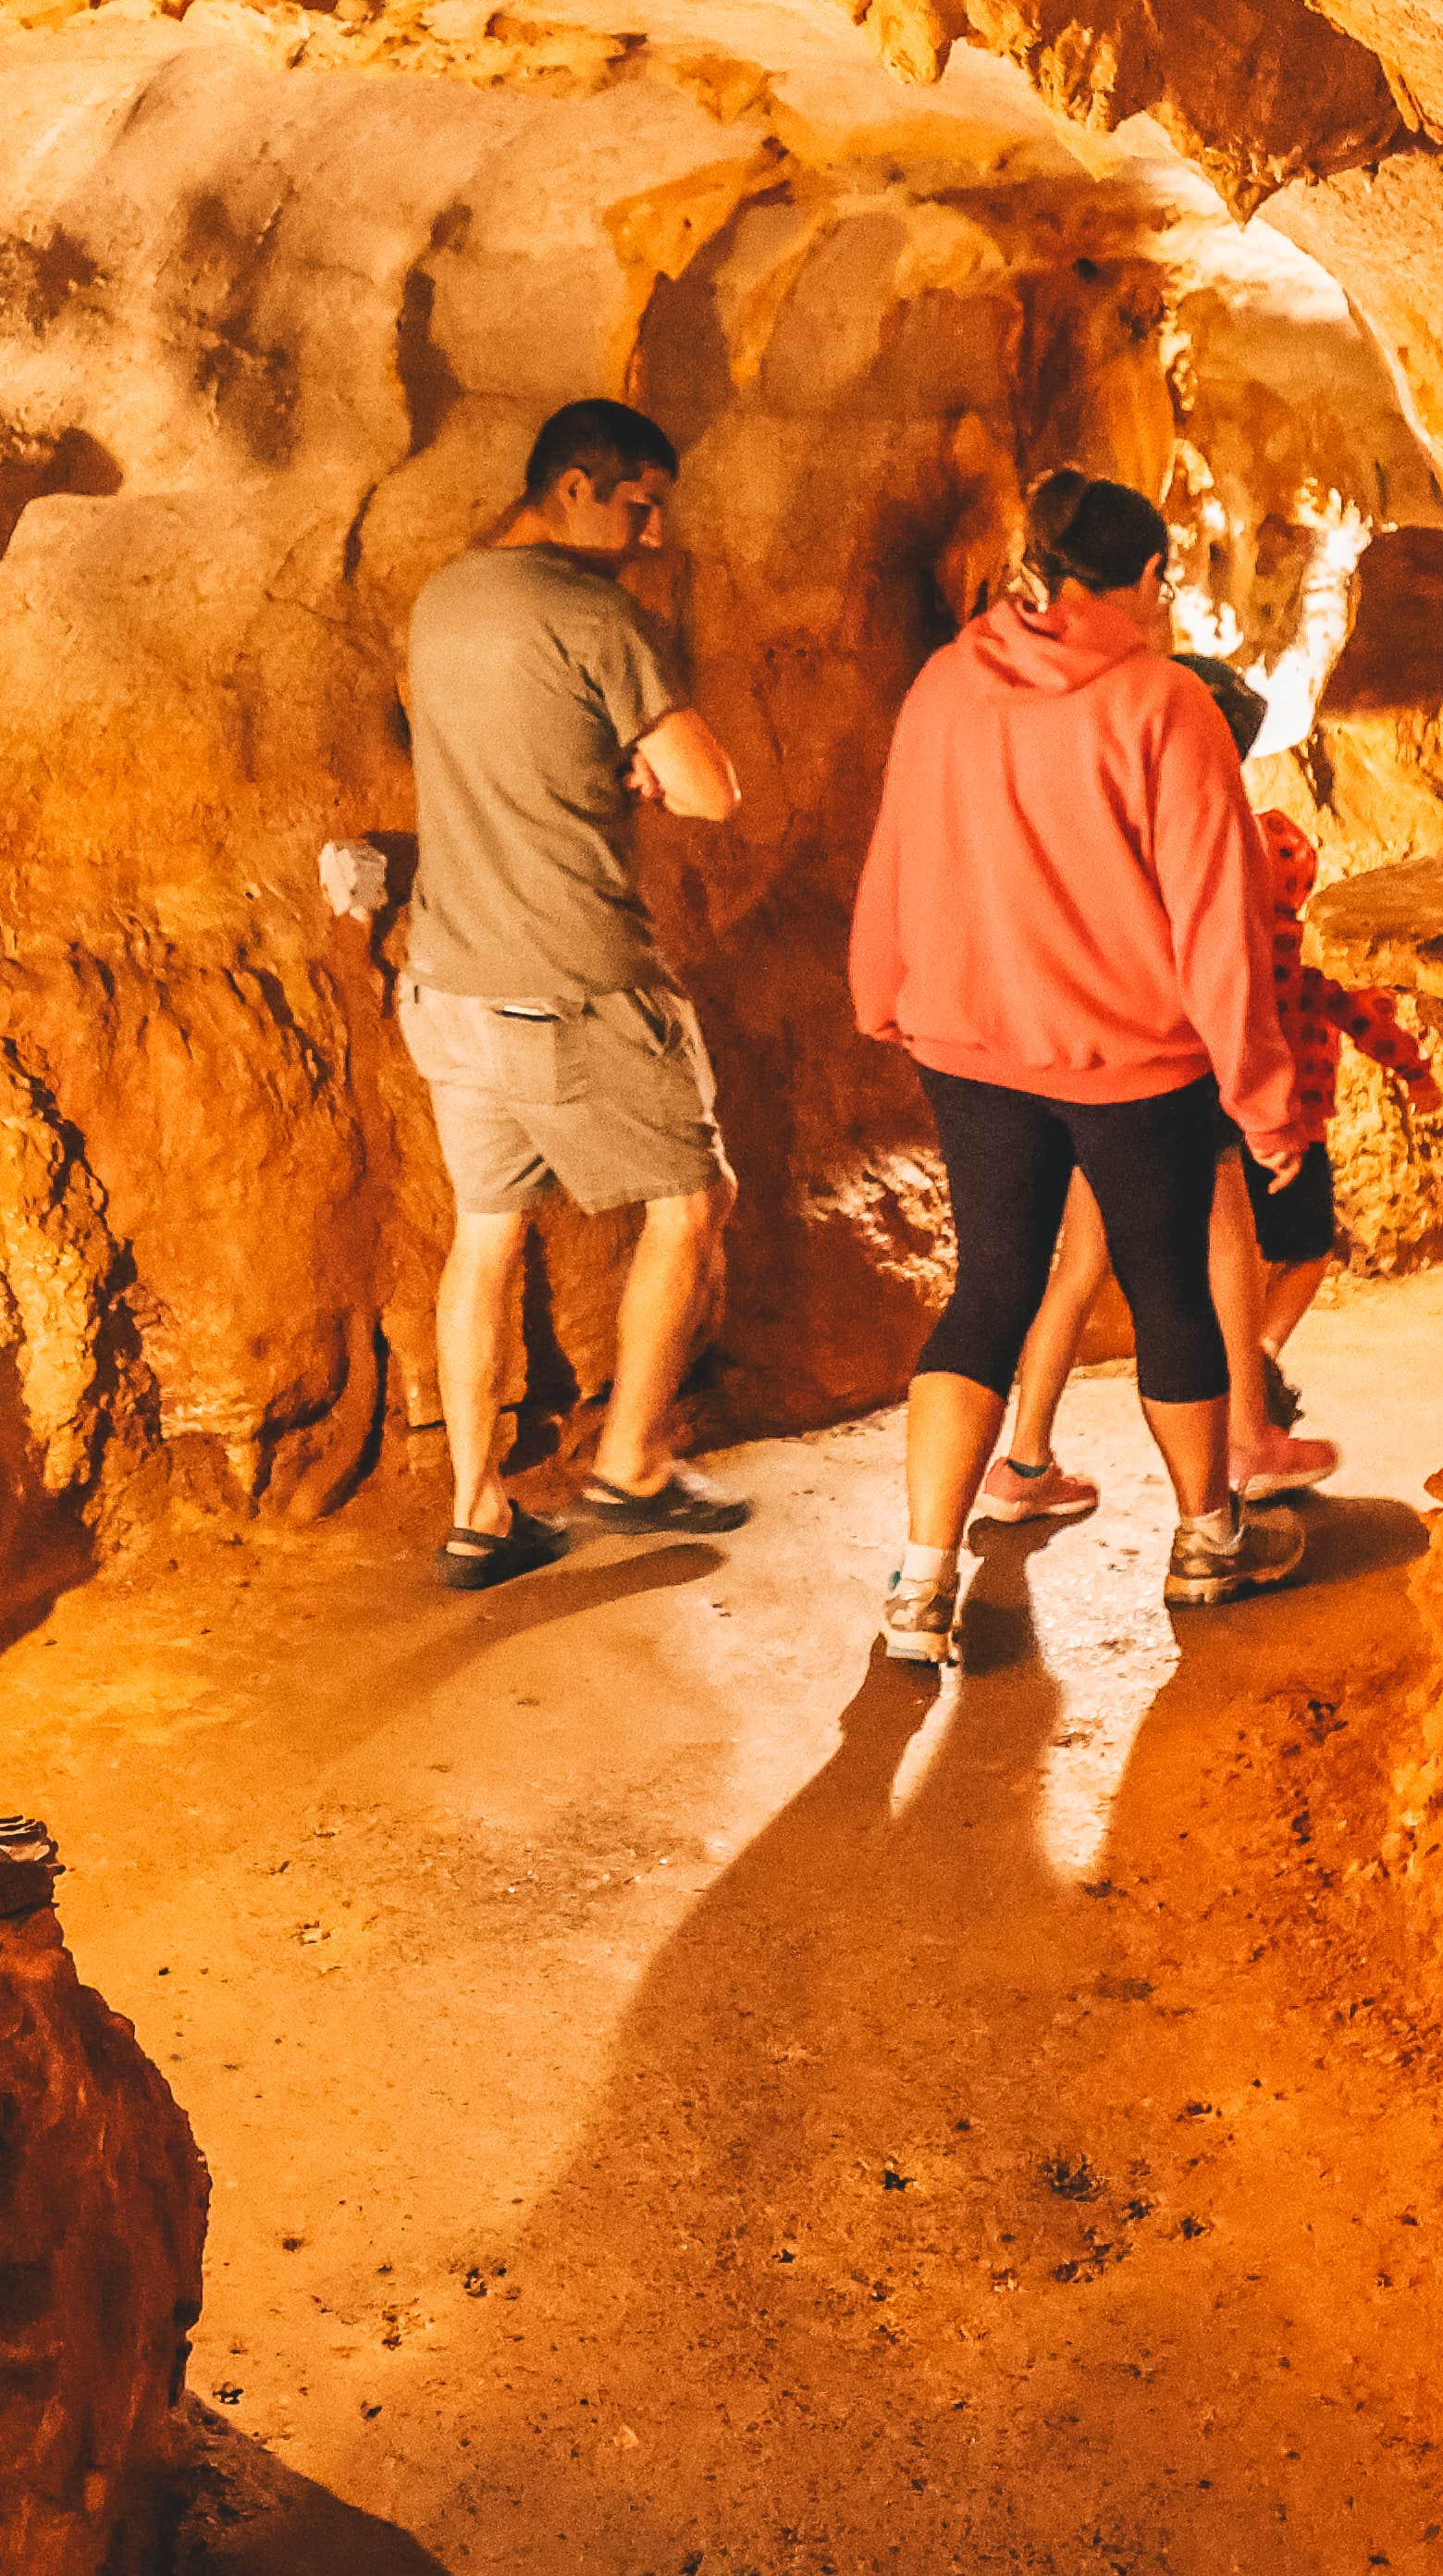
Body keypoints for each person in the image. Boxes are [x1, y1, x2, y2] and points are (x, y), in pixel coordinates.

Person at [844, 470, 1320, 1665]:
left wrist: (882, 990)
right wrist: (1266, 1105)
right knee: (1167, 1289)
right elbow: (1219, 925)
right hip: (1132, 1059)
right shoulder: (1166, 707)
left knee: (990, 1287)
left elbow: (897, 844)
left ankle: (920, 1579)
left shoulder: (948, 679)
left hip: (971, 1041)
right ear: (1153, 579)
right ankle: (1209, 1540)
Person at [393, 396, 754, 1585]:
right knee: (693, 1200)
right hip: (571, 983)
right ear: (574, 488)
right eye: (639, 504)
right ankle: (634, 1467)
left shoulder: (443, 596)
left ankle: (474, 1510)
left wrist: (607, 770)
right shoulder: (598, 611)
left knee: (484, 1234)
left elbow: (518, 753)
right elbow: (710, 792)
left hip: (447, 983)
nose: (651, 531)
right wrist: (658, 769)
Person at [983, 654, 1430, 1510]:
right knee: (1228, 1247)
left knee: (1079, 1264)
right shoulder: (1224, 832)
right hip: (1180, 1070)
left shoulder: (1101, 820)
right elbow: (1236, 971)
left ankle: (1025, 1464)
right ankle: (1248, 1445)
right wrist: (1262, 1099)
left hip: (1086, 1066)